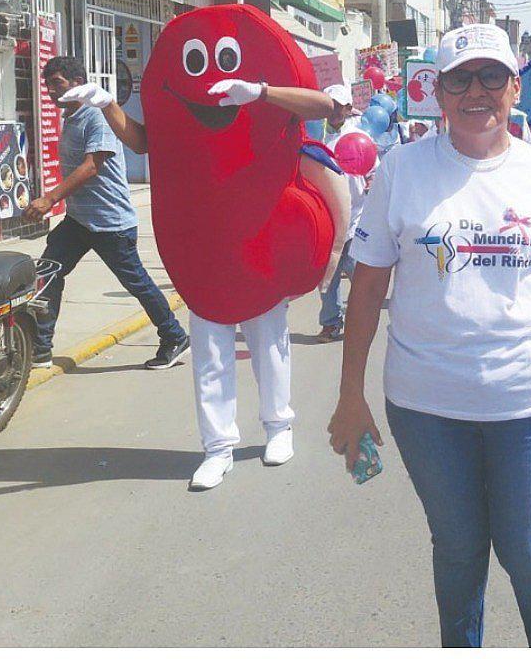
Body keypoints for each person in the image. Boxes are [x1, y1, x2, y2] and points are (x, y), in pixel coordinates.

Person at [327, 23, 531, 648]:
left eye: (491, 77)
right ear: (438, 92)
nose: (476, 92)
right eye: (459, 79)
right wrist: (350, 395)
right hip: (427, 408)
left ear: (513, 87)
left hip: (529, 403)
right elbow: (366, 291)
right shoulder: (401, 169)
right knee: (457, 549)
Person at [57, 54, 348, 489]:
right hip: (204, 249)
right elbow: (141, 142)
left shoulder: (263, 100)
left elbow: (324, 107)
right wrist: (107, 104)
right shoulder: (185, 113)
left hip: (258, 243)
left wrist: (261, 92)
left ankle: (278, 426)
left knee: (268, 344)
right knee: (210, 354)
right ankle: (217, 447)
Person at [25, 57, 190, 371]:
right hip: (79, 220)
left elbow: (91, 166)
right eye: (47, 86)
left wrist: (50, 198)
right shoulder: (71, 116)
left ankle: (174, 335)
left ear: (78, 82)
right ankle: (41, 349)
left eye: (57, 84)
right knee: (47, 274)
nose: (51, 92)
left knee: (138, 284)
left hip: (110, 222)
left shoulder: (96, 116)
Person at [316, 123, 372, 343]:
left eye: (340, 106)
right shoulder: (320, 138)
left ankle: (363, 319)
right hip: (329, 219)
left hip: (356, 218)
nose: (335, 111)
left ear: (348, 107)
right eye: (332, 106)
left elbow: (373, 166)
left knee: (359, 274)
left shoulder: (358, 135)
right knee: (327, 277)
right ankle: (331, 322)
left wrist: (371, 180)